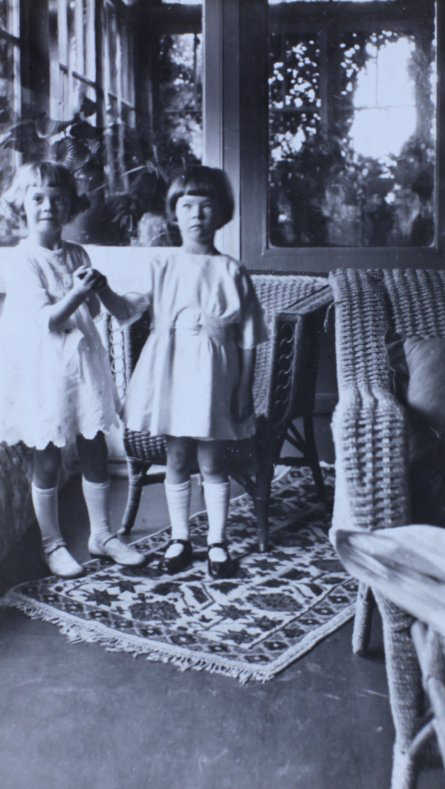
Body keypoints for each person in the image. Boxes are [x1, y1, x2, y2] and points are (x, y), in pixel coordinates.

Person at [96, 165, 268, 578]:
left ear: (221, 214)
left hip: (213, 377)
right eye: (187, 206)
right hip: (172, 373)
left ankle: (218, 542)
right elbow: (125, 311)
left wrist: (244, 388)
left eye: (206, 207)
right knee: (176, 455)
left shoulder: (232, 271)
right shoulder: (162, 266)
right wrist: (101, 288)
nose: (196, 216)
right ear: (175, 212)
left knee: (212, 458)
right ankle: (180, 537)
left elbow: (247, 338)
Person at [0, 161, 145, 577]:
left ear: (71, 205)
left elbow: (95, 311)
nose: (49, 206)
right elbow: (48, 320)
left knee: (94, 445)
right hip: (44, 368)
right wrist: (79, 291)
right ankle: (52, 543)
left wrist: (96, 288)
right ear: (22, 205)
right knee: (48, 456)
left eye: (58, 198)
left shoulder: (78, 252)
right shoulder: (21, 259)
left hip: (81, 364)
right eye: (39, 198)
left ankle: (101, 534)